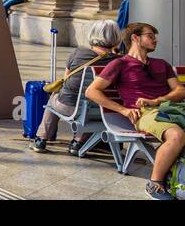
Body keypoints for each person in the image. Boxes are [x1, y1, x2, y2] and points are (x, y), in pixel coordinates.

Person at [85, 22, 185, 200]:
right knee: (176, 136)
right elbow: (91, 91)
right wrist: (124, 111)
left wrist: (157, 100)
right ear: (135, 38)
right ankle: (155, 183)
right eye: (150, 36)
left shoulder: (162, 64)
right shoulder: (120, 64)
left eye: (155, 36)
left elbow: (181, 91)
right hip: (146, 113)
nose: (155, 40)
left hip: (173, 109)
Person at [31, 19, 120, 153]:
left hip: (68, 106)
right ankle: (78, 143)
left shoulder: (78, 53)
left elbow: (66, 79)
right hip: (100, 111)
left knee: (54, 98)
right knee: (88, 106)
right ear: (115, 37)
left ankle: (41, 139)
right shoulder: (119, 61)